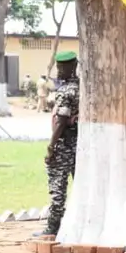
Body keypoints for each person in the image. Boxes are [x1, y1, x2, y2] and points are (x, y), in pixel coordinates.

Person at [36, 51, 79, 237]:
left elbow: (61, 120)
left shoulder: (66, 91)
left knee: (57, 187)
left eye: (62, 67)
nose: (59, 71)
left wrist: (51, 146)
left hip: (64, 144)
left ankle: (53, 227)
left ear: (72, 66)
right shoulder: (82, 87)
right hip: (79, 144)